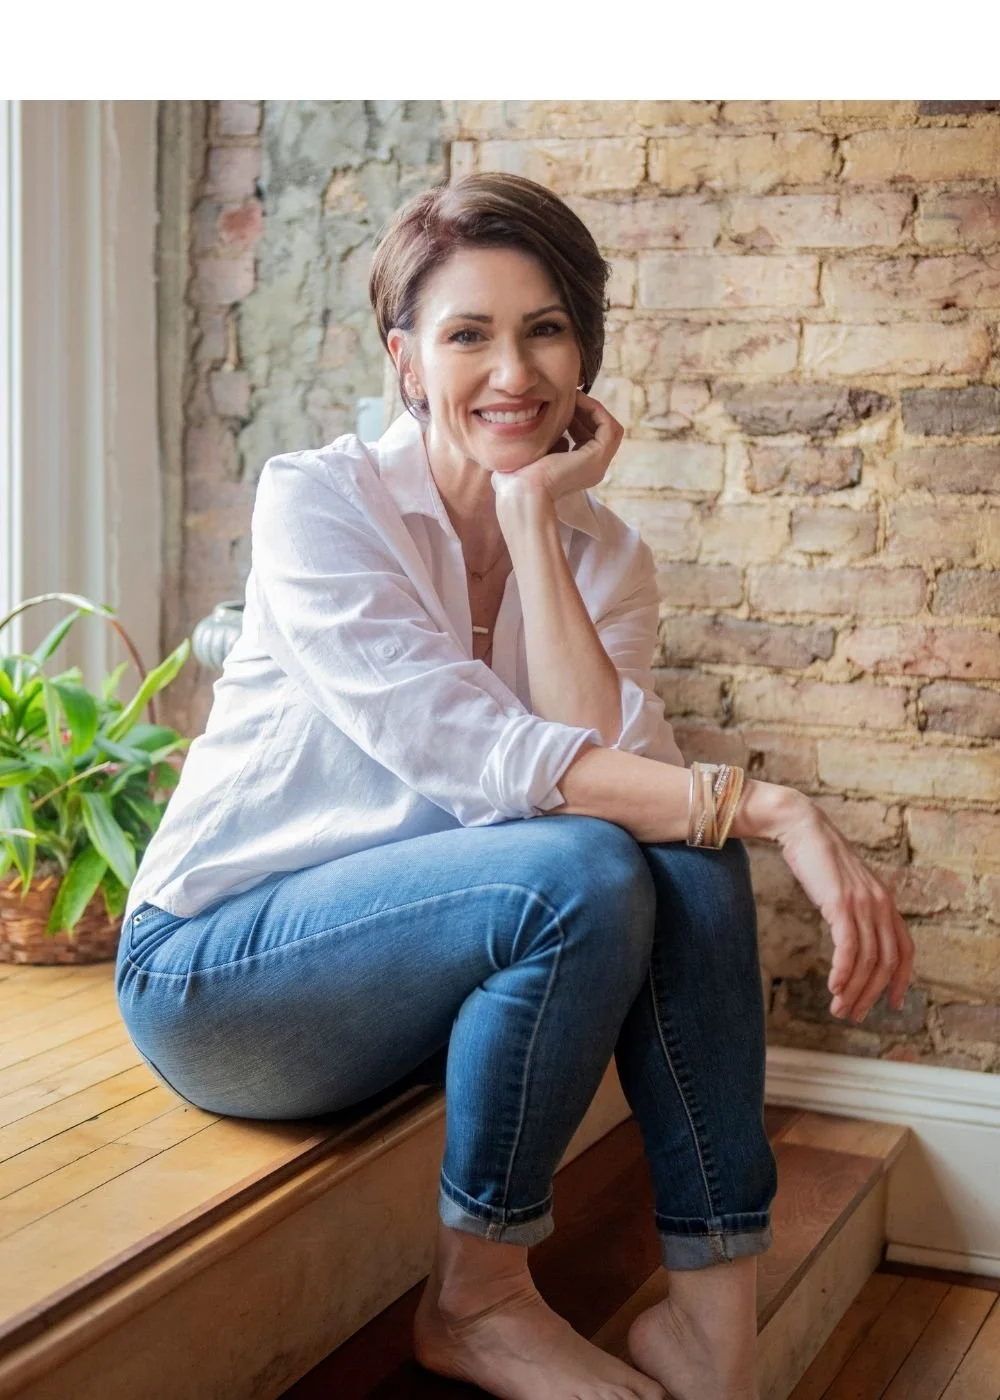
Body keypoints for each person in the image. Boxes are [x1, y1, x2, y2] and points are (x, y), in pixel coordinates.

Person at [116, 171, 914, 1400]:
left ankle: (713, 1328)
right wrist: (777, 803)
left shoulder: (607, 553)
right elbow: (472, 757)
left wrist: (536, 515)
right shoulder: (319, 502)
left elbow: (613, 772)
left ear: (585, 351)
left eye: (544, 329)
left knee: (674, 852)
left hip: (420, 964)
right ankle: (478, 1294)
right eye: (467, 334)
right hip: (220, 974)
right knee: (592, 859)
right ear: (405, 359)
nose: (512, 371)